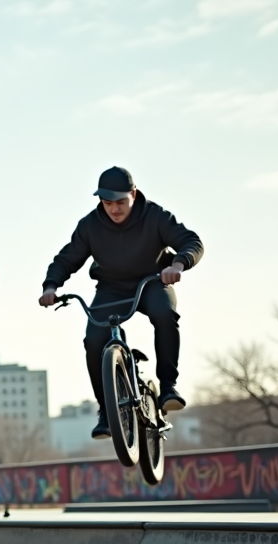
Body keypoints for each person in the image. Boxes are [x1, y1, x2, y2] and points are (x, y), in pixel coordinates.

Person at [39, 166, 203, 439]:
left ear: (134, 195)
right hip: (111, 289)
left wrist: (178, 264)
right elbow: (67, 258)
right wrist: (51, 286)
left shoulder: (155, 216)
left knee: (165, 315)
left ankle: (168, 387)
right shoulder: (90, 225)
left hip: (152, 282)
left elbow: (191, 241)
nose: (113, 209)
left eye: (120, 202)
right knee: (93, 340)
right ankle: (106, 410)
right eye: (107, 203)